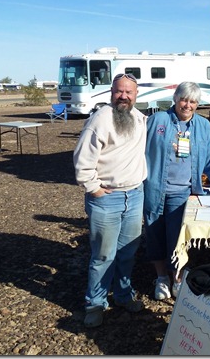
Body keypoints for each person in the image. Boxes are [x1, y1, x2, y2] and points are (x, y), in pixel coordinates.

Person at [144, 81, 210, 300]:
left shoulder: (203, 126)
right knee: (154, 234)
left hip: (183, 193)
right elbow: (138, 151)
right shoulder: (157, 120)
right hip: (154, 189)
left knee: (178, 238)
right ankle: (161, 278)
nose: (187, 105)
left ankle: (176, 278)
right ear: (175, 98)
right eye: (184, 99)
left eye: (193, 101)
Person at [73, 73, 148, 328]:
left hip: (135, 195)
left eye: (129, 92)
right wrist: (93, 188)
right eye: (119, 91)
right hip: (107, 199)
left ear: (136, 95)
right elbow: (82, 160)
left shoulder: (139, 118)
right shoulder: (100, 119)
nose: (123, 96)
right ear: (111, 93)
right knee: (103, 255)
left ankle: (123, 296)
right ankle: (95, 304)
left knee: (128, 253)